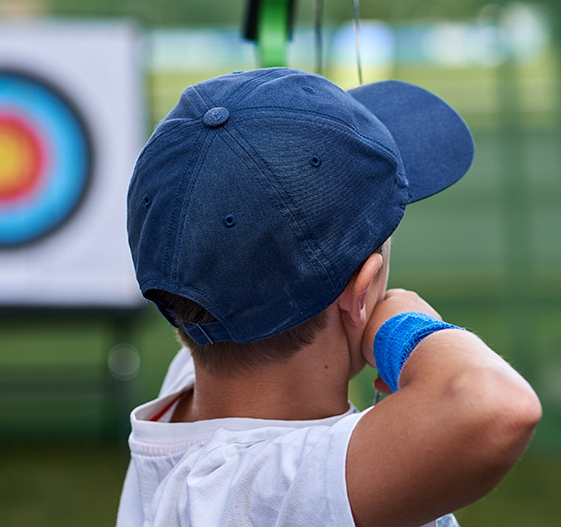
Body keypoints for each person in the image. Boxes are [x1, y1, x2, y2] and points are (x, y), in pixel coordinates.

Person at [118, 68, 541, 527]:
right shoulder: (254, 492)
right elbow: (496, 407)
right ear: (362, 290)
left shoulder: (192, 388)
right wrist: (402, 329)